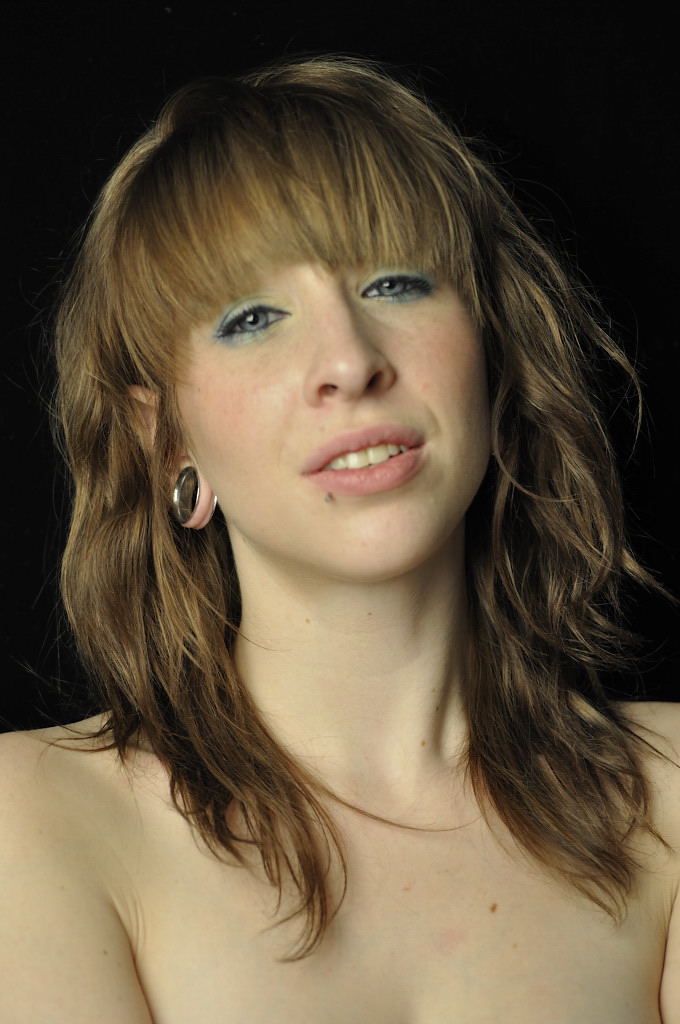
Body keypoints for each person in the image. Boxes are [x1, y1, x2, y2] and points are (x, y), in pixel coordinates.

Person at [1, 53, 678, 1023]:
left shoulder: (669, 802)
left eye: (395, 283)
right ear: (167, 443)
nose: (350, 362)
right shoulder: (37, 821)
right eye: (251, 317)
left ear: (494, 355)